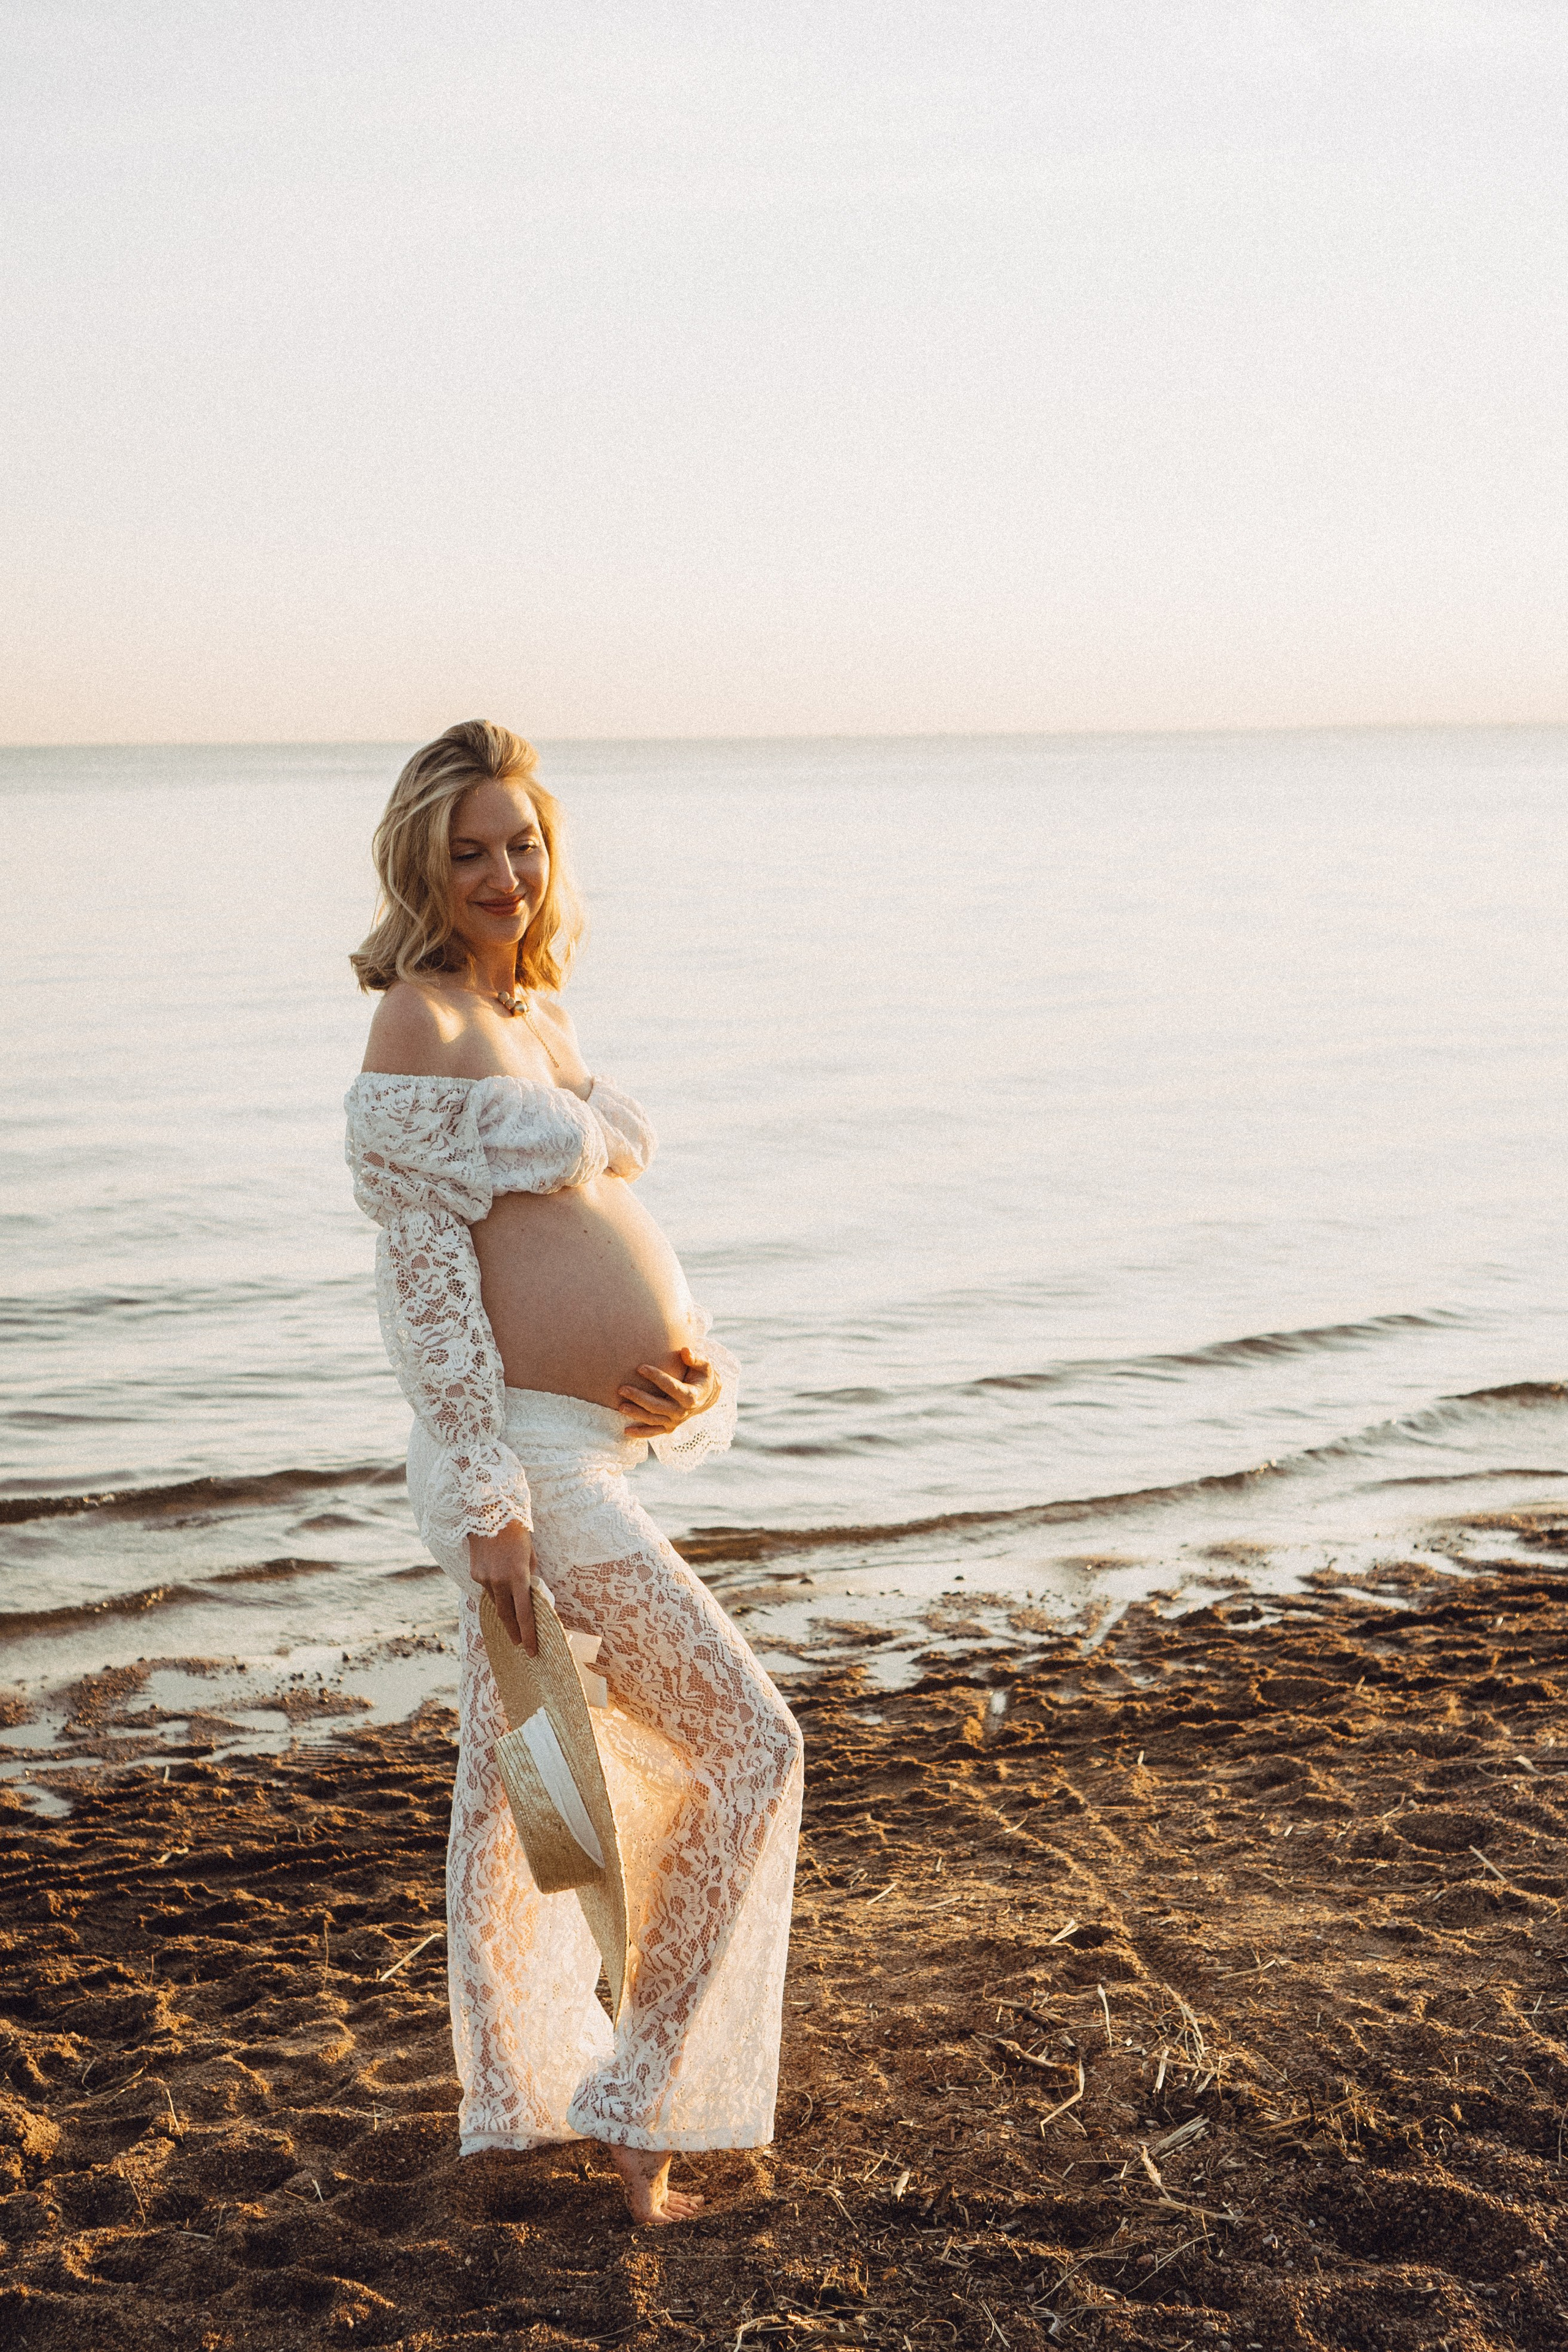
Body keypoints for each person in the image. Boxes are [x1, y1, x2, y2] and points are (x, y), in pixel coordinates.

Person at [344, 721, 802, 2225]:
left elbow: (581, 1249)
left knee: (523, 1796)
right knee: (751, 1744)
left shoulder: (539, 1020)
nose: (500, 872)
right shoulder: (418, 1022)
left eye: (521, 842)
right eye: (468, 848)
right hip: (521, 1473)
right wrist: (486, 1495)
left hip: (581, 1445)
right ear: (423, 861)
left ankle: (539, 2109)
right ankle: (637, 2098)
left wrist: (685, 1373)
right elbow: (423, 1278)